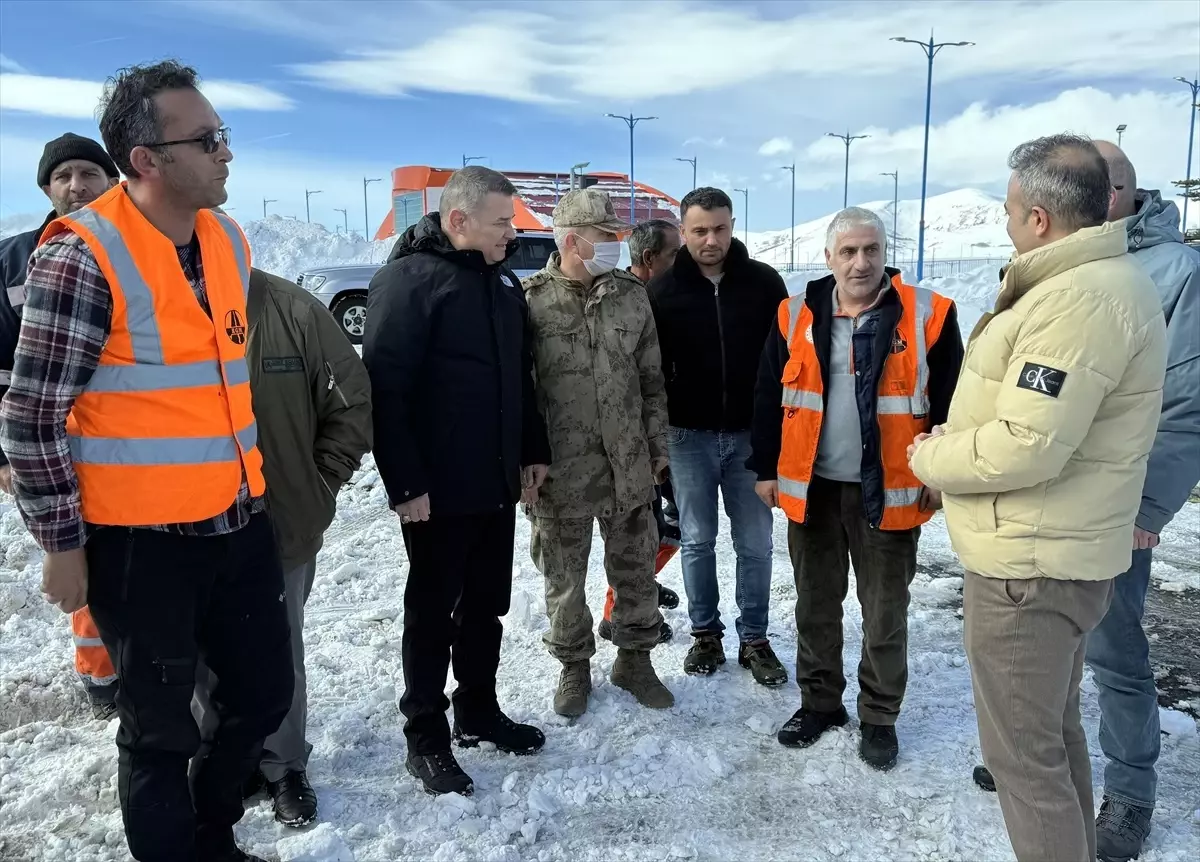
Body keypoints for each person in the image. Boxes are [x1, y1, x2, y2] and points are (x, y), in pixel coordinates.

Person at [0, 60, 294, 862]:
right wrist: (62, 543)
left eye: (222, 134)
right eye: (207, 139)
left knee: (264, 694)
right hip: (139, 545)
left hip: (236, 521)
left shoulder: (226, 239)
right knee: (158, 731)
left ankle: (209, 833)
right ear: (145, 160)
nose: (226, 152)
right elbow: (30, 418)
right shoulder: (82, 257)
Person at [909, 134, 1167, 862]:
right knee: (1052, 738)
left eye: (1011, 207)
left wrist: (934, 456)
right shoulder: (1091, 285)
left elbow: (1027, 442)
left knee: (1024, 762)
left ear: (1041, 218)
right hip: (1052, 553)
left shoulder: (1077, 301)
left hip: (1030, 567)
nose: (1007, 218)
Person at [969, 141, 1200, 862]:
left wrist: (1146, 512)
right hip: (1041, 512)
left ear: (1118, 194)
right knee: (1057, 670)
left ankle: (1129, 792)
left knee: (1116, 652)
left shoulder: (1170, 272)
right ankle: (1035, 754)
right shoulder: (1055, 267)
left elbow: (1186, 406)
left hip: (1110, 510)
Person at [749, 207, 962, 770]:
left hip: (889, 493)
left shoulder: (928, 315)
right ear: (829, 258)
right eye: (848, 252)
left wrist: (943, 475)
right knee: (816, 605)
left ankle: (879, 717)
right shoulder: (793, 315)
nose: (860, 262)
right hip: (814, 492)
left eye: (871, 250)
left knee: (884, 611)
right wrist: (765, 468)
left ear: (884, 254)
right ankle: (820, 704)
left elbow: (952, 405)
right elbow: (769, 396)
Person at [363, 165, 552, 797]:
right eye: (503, 223)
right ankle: (425, 734)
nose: (513, 233)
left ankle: (477, 709)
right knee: (432, 611)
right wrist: (405, 482)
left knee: (487, 604)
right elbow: (385, 391)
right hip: (437, 491)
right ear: (459, 220)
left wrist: (532, 451)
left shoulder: (501, 284)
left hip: (495, 481)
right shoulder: (407, 282)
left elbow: (518, 380)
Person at [193, 263, 372, 829]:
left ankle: (284, 765)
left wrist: (320, 481)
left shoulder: (291, 308)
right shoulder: (152, 305)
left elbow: (351, 401)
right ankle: (226, 758)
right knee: (199, 648)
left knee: (276, 645)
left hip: (279, 521)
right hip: (185, 523)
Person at [522, 190, 673, 718]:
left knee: (635, 568)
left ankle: (635, 661)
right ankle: (573, 668)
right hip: (560, 470)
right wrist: (524, 463)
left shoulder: (632, 296)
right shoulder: (531, 301)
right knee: (564, 576)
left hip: (628, 463)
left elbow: (652, 381)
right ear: (572, 240)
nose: (615, 244)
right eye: (605, 236)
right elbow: (519, 392)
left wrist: (659, 449)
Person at [0, 133, 121, 721]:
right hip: (54, 449)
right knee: (79, 558)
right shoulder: (14, 260)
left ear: (112, 180)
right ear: (48, 188)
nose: (78, 185)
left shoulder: (142, 249)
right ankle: (101, 676)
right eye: (65, 175)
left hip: (132, 447)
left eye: (90, 174)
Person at [647, 187, 788, 686]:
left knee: (755, 542)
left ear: (732, 226)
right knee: (698, 540)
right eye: (700, 230)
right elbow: (649, 372)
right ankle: (705, 634)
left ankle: (755, 639)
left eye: (721, 228)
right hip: (688, 438)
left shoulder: (765, 285)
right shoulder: (661, 293)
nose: (712, 239)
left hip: (751, 437)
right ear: (682, 232)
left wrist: (778, 435)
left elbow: (785, 366)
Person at [598, 217, 684, 646]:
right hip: (639, 442)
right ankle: (617, 610)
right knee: (644, 528)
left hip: (667, 434)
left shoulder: (666, 294)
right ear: (650, 259)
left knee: (673, 522)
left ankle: (642, 585)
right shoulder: (630, 301)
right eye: (675, 253)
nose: (682, 260)